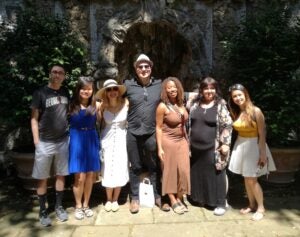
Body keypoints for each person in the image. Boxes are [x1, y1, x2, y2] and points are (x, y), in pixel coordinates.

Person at [124, 53, 168, 213]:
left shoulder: (159, 84)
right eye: (140, 66)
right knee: (134, 165)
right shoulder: (128, 85)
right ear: (135, 69)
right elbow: (113, 97)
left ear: (151, 67)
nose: (144, 69)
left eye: (146, 66)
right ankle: (134, 198)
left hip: (151, 131)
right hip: (133, 132)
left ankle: (157, 195)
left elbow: (174, 93)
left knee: (154, 165)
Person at [228, 83, 276, 221]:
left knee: (252, 179)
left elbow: (262, 134)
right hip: (241, 145)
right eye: (234, 96)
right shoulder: (236, 111)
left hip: (254, 146)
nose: (237, 98)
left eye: (239, 95)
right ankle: (252, 204)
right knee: (246, 179)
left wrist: (262, 153)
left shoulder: (256, 111)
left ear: (245, 95)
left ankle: (261, 207)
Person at [31, 64, 70, 226]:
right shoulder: (40, 93)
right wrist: (36, 141)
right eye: (54, 72)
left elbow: (68, 113)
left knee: (61, 174)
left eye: (60, 73)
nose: (57, 75)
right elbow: (34, 118)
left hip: (62, 141)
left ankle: (59, 207)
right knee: (42, 177)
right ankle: (42, 210)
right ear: (50, 74)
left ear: (64, 76)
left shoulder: (65, 92)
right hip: (44, 142)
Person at [188, 77, 232, 216]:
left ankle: (220, 203)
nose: (209, 91)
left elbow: (227, 125)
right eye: (206, 88)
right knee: (199, 173)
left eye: (212, 88)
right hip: (195, 148)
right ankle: (200, 198)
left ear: (216, 90)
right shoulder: (194, 104)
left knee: (217, 174)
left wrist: (225, 143)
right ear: (201, 90)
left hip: (212, 147)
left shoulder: (220, 104)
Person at [156, 77, 190, 215]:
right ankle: (172, 200)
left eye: (174, 86)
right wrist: (160, 148)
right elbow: (158, 127)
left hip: (182, 141)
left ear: (179, 88)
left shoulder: (182, 104)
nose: (172, 89)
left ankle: (180, 197)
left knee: (183, 171)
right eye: (169, 87)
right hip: (168, 141)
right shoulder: (162, 106)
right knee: (169, 171)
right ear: (165, 90)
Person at [68, 76, 101, 220]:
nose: (86, 91)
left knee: (90, 176)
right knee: (79, 177)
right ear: (78, 90)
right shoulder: (70, 105)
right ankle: (78, 206)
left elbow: (102, 122)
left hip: (91, 139)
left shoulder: (97, 105)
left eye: (89, 89)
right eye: (83, 88)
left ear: (92, 90)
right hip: (76, 139)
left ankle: (86, 204)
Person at [95, 79, 129, 212]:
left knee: (120, 167)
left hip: (122, 139)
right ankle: (108, 199)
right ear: (105, 93)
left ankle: (115, 199)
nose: (112, 92)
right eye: (109, 90)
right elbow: (98, 122)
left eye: (114, 89)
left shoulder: (126, 103)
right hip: (107, 140)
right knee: (108, 168)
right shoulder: (102, 106)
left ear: (118, 90)